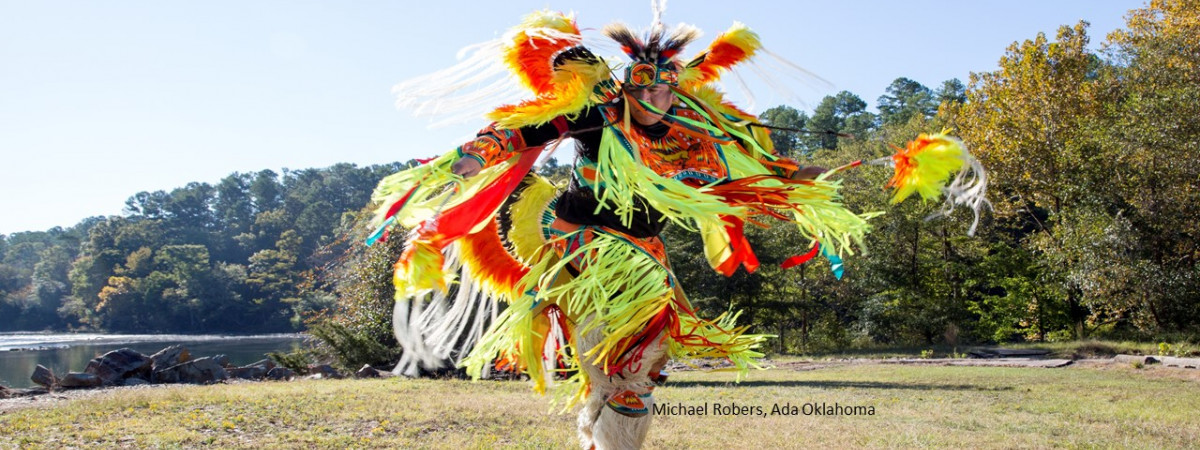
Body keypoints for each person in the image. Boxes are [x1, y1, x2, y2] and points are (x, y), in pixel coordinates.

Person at [370, 9, 983, 450]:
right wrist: (472, 157)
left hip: (644, 247)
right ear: (628, 82)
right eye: (644, 81)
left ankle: (606, 430)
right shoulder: (599, 115)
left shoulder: (694, 133)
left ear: (677, 83)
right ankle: (606, 422)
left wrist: (831, 172)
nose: (656, 92)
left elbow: (759, 174)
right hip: (582, 238)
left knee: (636, 365)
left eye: (666, 81)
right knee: (619, 331)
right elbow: (522, 133)